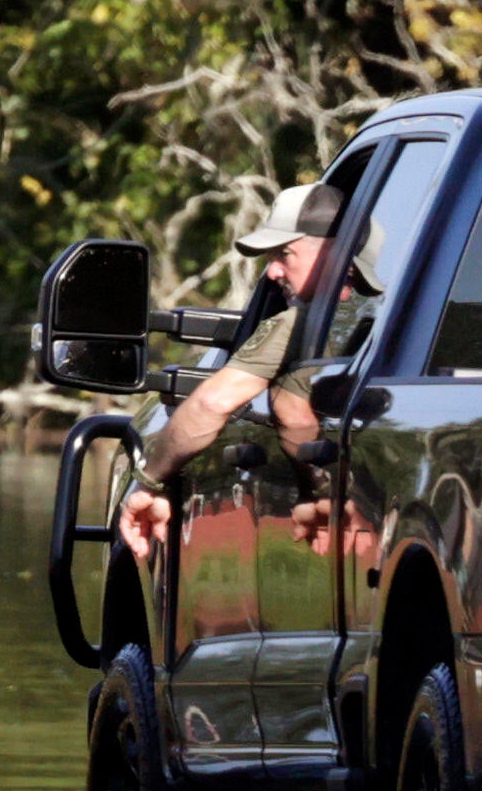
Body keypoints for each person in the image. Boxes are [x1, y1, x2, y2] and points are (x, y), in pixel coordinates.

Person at [116, 183, 358, 565]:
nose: (272, 270)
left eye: (285, 253)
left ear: (335, 252)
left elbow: (213, 402)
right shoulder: (383, 318)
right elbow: (293, 407)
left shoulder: (299, 325)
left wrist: (148, 483)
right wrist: (323, 490)